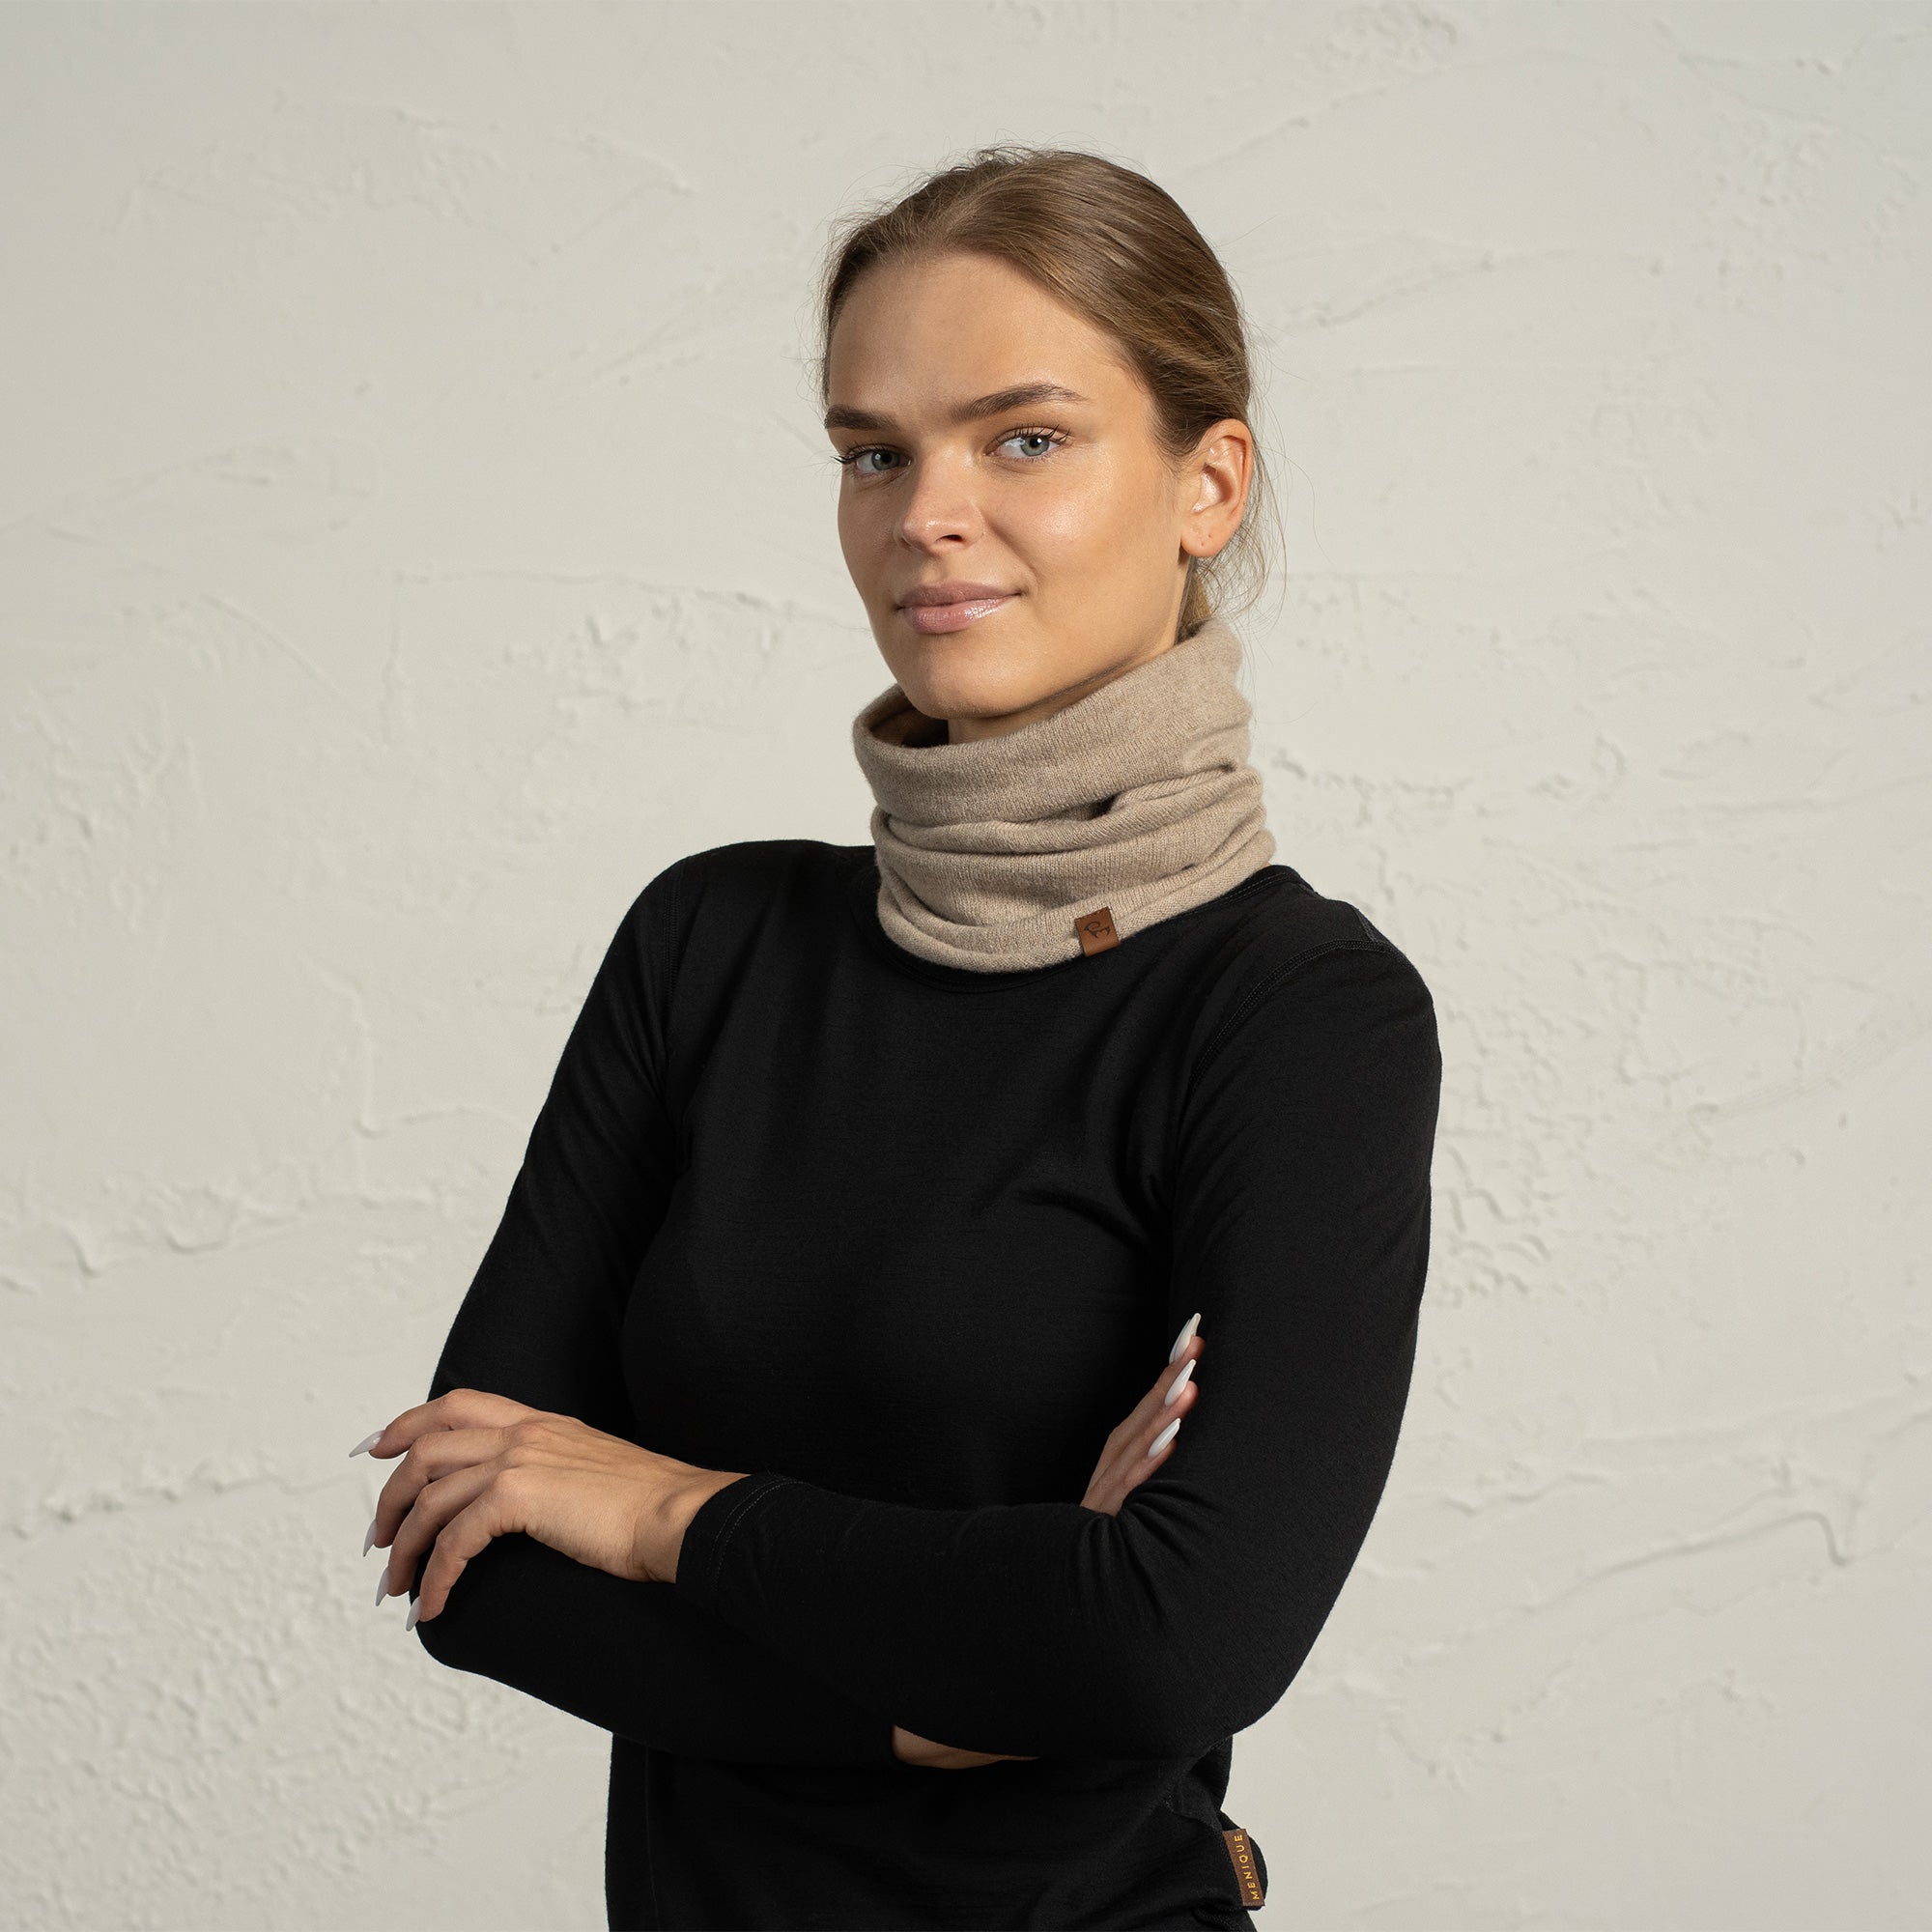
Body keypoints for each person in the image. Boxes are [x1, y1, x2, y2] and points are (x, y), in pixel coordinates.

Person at [351, 145, 1442, 1930]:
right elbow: (470, 1560)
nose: (925, 513)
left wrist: (662, 1512)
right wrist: (954, 1705)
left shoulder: (1296, 1009)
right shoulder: (711, 942)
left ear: (1208, 483)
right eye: (874, 453)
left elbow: (1177, 1638)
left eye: (1024, 439)